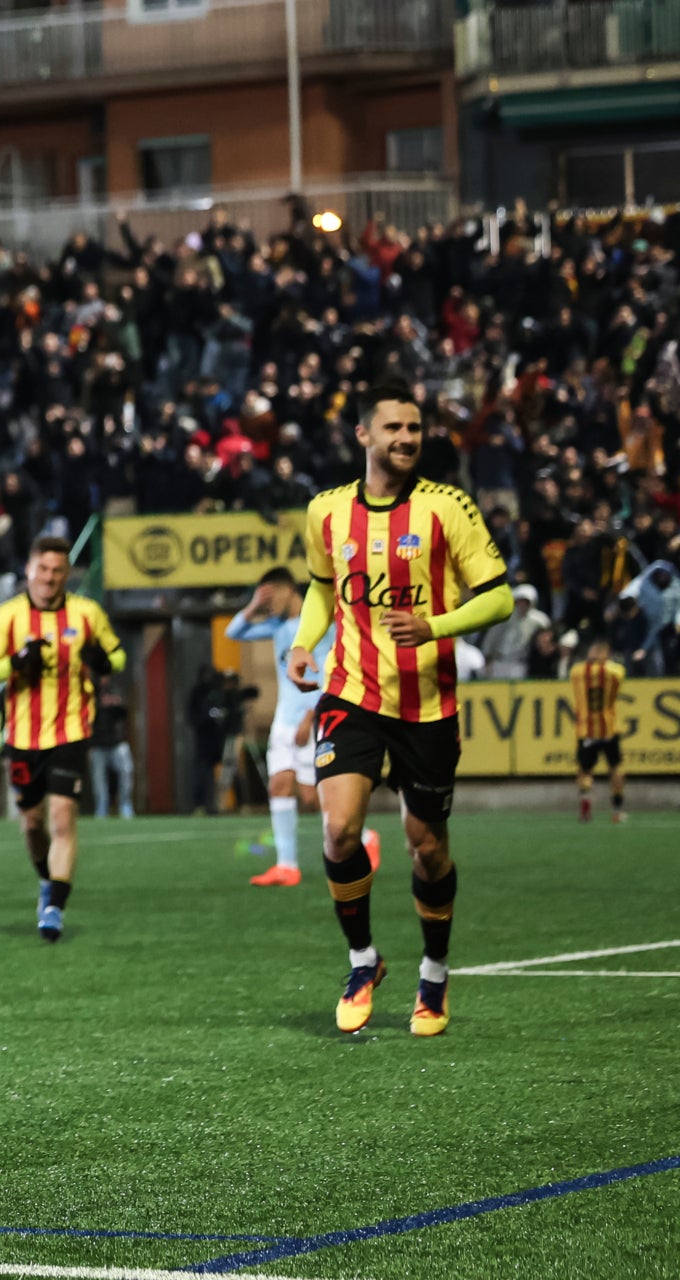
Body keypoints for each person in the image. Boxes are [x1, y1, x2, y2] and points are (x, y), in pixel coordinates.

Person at [286, 381, 511, 1039]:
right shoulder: (325, 511)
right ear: (364, 435)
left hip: (428, 704)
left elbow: (498, 598)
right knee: (338, 831)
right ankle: (363, 962)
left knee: (426, 845)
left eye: (415, 429)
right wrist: (304, 644)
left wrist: (435, 626)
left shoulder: (448, 507)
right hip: (351, 693)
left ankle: (434, 976)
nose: (407, 439)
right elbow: (323, 588)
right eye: (394, 428)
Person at [0, 537, 125, 942]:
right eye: (43, 570)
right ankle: (46, 879)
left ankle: (55, 905)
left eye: (58, 571)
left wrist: (102, 661)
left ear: (66, 574)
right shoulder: (7, 617)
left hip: (71, 731)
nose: (50, 579)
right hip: (22, 736)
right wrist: (16, 662)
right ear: (29, 571)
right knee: (32, 823)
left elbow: (117, 655)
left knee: (61, 818)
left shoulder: (87, 613)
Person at [226, 567, 335, 887]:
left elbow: (328, 672)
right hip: (284, 720)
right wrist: (252, 606)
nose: (268, 604)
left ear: (288, 589)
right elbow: (233, 632)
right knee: (278, 787)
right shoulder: (277, 627)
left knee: (313, 798)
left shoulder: (318, 623)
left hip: (311, 719)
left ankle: (365, 837)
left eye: (270, 596)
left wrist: (311, 717)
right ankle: (287, 866)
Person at [570, 636, 627, 824]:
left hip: (586, 729)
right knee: (615, 767)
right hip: (609, 728)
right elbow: (618, 676)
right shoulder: (615, 671)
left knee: (585, 771)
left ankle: (585, 810)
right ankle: (617, 811)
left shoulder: (577, 672)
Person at [87, 683, 135, 820]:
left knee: (126, 772)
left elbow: (124, 713)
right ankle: (102, 808)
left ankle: (125, 805)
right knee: (99, 780)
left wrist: (114, 703)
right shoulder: (91, 697)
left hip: (117, 743)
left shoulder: (116, 693)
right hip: (98, 745)